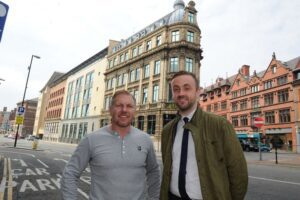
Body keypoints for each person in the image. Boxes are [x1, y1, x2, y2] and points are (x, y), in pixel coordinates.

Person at [160, 71, 248, 200]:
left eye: (187, 88)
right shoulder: (167, 130)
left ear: (197, 92)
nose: (181, 93)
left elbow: (238, 175)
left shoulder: (220, 125)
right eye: (176, 89)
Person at [61, 90, 160, 200]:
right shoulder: (91, 139)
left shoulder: (145, 139)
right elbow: (70, 173)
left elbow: (154, 172)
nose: (124, 110)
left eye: (129, 106)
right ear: (110, 109)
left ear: (134, 110)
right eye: (119, 105)